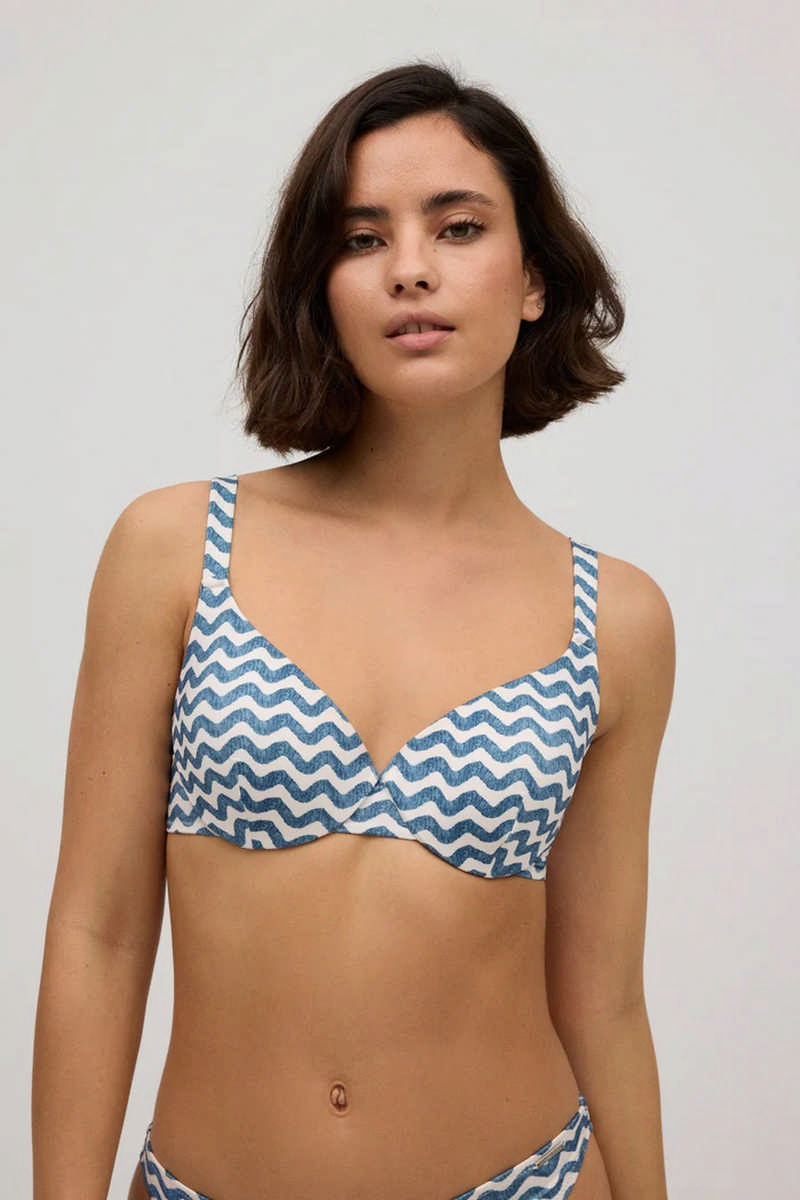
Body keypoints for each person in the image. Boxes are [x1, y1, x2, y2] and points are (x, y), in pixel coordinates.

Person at [32, 59, 675, 1200]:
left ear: (533, 279)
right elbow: (99, 934)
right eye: (361, 238)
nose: (410, 268)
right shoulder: (174, 550)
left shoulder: (615, 620)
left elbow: (605, 999)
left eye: (458, 227)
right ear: (319, 285)